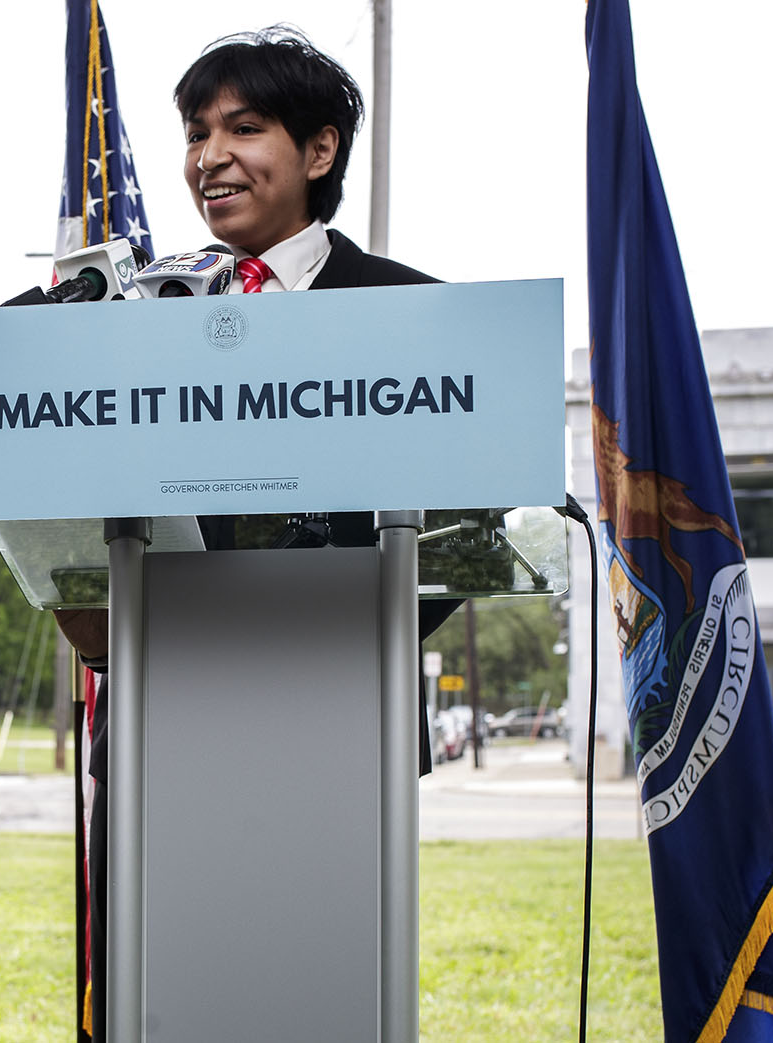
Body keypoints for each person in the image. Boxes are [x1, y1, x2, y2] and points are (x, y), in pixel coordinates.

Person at [65, 28, 457, 1041]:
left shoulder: (413, 312)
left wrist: (332, 622)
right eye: (197, 132)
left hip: (334, 717)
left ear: (319, 151)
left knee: (315, 990)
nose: (208, 155)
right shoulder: (135, 319)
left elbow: (458, 533)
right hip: (160, 713)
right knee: (157, 996)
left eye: (243, 126)